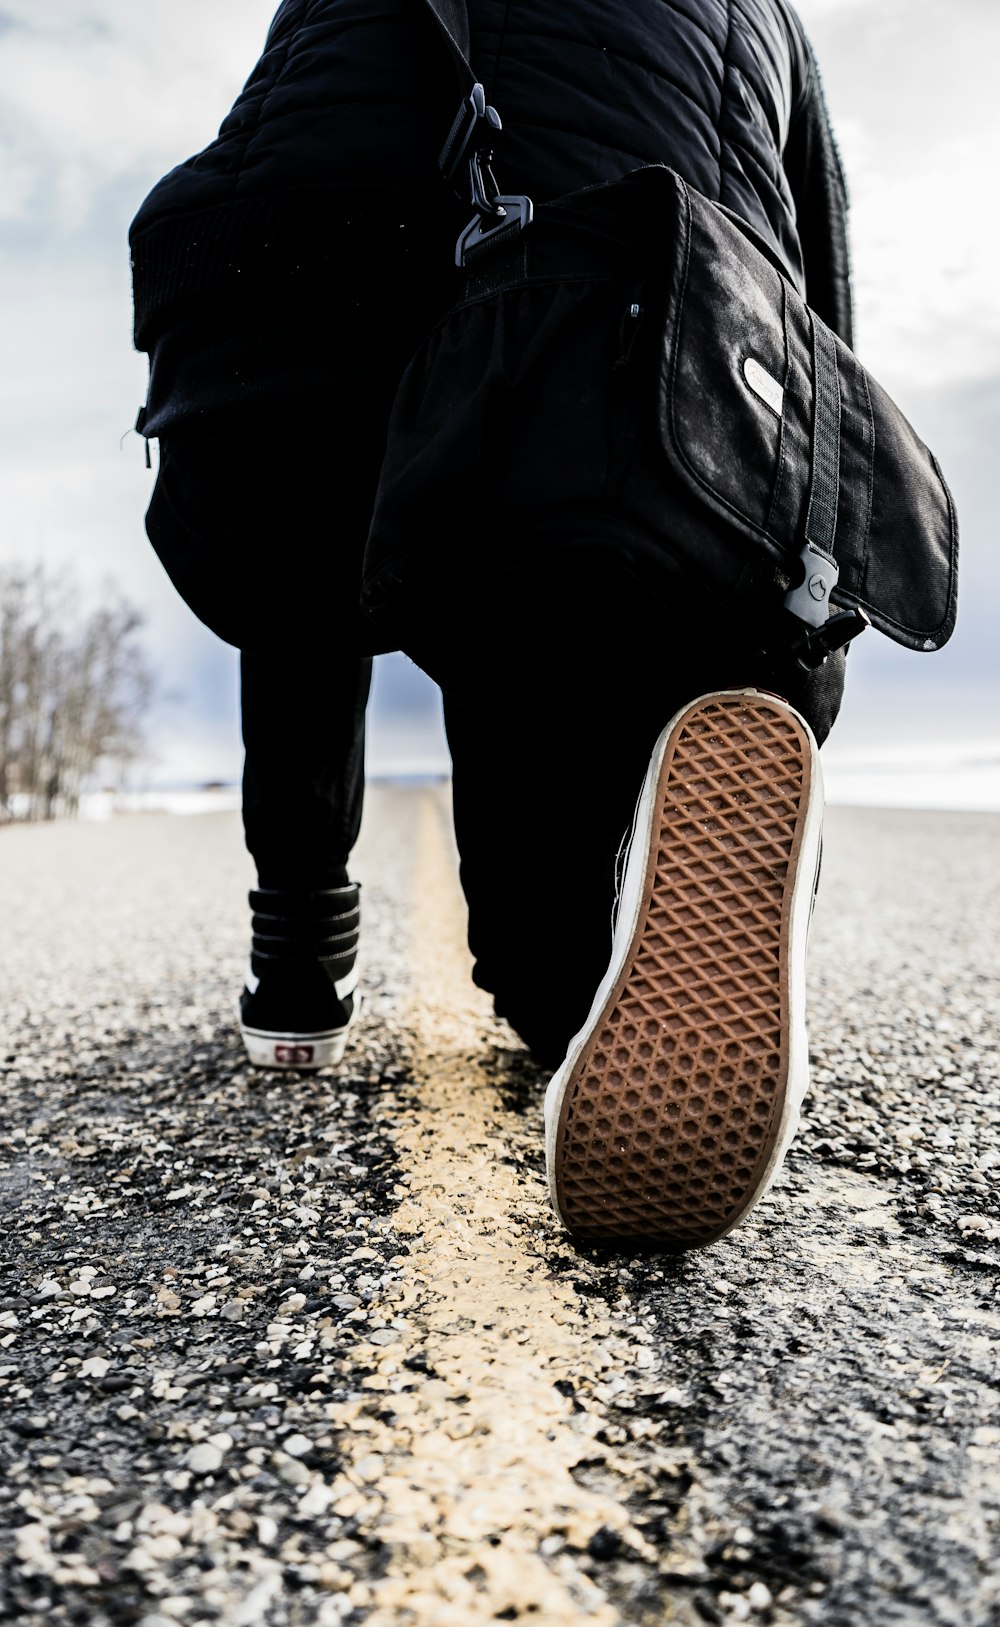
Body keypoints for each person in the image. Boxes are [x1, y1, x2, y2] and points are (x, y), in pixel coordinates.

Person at [130, 0, 852, 1248]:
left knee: (313, 554)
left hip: (261, 304)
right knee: (524, 595)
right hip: (590, 327)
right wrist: (796, 632)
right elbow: (818, 321)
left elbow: (287, 106)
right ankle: (571, 983)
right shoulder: (764, 15)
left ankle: (296, 962)